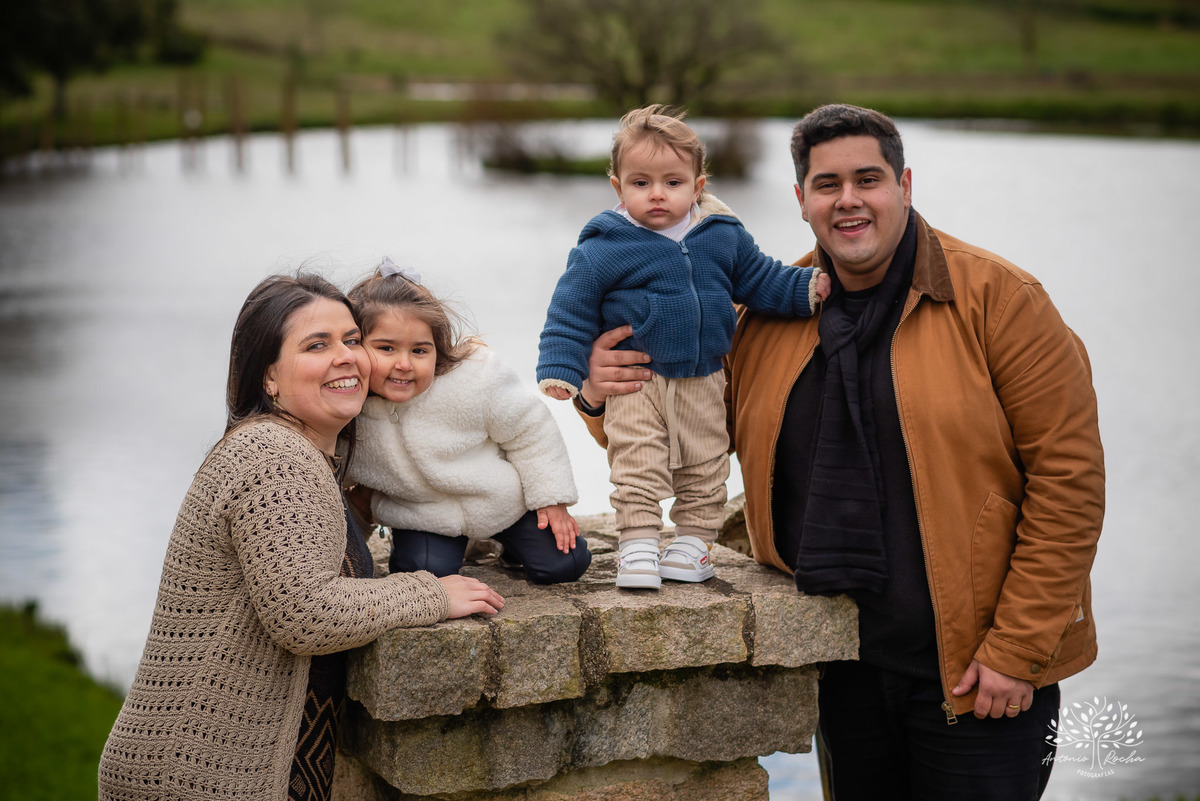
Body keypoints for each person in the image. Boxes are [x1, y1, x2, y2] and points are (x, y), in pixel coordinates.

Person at [577, 104, 1104, 800]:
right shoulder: (764, 312)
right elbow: (679, 441)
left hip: (979, 674)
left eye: (868, 179)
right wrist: (596, 393)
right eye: (827, 184)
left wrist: (1017, 649)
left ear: (905, 184)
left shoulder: (1002, 302)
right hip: (839, 667)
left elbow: (1069, 485)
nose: (848, 200)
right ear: (801, 200)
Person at [98, 273, 505, 801]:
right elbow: (304, 613)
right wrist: (429, 592)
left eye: (352, 340)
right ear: (269, 377)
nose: (347, 357)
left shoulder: (302, 454)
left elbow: (315, 553)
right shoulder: (276, 457)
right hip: (195, 775)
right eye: (318, 345)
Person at [536, 105, 830, 590]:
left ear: (698, 186)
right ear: (618, 187)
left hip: (704, 377)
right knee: (636, 461)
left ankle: (692, 546)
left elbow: (759, 278)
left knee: (707, 462)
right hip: (639, 380)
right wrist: (561, 369)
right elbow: (570, 310)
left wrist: (805, 289)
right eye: (640, 183)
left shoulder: (721, 235)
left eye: (673, 182)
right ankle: (638, 547)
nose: (657, 194)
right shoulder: (604, 246)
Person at [346, 259, 590, 585]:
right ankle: (453, 547)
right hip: (425, 518)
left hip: (503, 503)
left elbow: (530, 430)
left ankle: (509, 547)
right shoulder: (346, 408)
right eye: (386, 348)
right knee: (423, 575)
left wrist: (551, 499)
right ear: (355, 347)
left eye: (420, 350)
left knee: (566, 564)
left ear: (439, 349)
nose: (404, 364)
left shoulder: (473, 380)